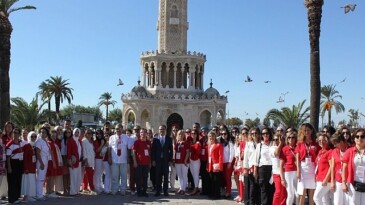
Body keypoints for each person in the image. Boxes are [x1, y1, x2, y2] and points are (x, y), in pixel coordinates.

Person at [295, 123, 319, 205]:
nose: (306, 132)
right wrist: (298, 170)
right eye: (304, 130)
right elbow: (297, 157)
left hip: (312, 168)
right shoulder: (300, 143)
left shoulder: (316, 144)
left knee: (311, 193)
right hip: (303, 168)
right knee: (302, 192)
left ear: (312, 131)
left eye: (308, 130)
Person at [342, 128, 365, 204]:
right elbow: (344, 168)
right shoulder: (349, 151)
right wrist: (343, 183)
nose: (359, 138)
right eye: (357, 136)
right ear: (354, 138)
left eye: (362, 136)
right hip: (353, 183)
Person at [108, 124, 132, 195]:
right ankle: (114, 190)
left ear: (122, 129)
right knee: (115, 176)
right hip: (114, 160)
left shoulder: (126, 137)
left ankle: (123, 190)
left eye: (118, 128)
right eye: (116, 129)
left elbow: (128, 148)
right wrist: (109, 157)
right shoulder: (111, 137)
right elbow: (109, 148)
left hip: (123, 160)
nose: (117, 130)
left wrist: (128, 157)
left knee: (123, 176)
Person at [253, 127, 274, 205]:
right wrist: (255, 171)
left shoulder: (273, 143)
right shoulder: (259, 145)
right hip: (262, 169)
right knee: (263, 189)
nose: (265, 135)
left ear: (269, 134)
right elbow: (256, 159)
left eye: (267, 133)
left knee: (271, 188)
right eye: (263, 133)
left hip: (272, 168)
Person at [151, 125, 173, 197]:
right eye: (160, 129)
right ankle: (158, 191)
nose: (162, 130)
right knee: (158, 176)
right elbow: (153, 151)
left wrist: (170, 160)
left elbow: (171, 151)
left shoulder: (169, 139)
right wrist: (153, 160)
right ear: (158, 130)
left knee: (166, 176)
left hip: (166, 161)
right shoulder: (155, 139)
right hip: (157, 161)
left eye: (163, 129)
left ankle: (165, 191)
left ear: (165, 130)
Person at [313, 132, 333, 205]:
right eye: (320, 140)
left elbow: (332, 166)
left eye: (324, 140)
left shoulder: (330, 152)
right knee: (325, 200)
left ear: (328, 140)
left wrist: (326, 179)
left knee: (316, 198)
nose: (321, 142)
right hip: (319, 178)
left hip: (325, 180)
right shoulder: (320, 152)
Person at [243, 127, 261, 205]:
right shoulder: (248, 144)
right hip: (251, 168)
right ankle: (251, 202)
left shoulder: (261, 144)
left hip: (260, 167)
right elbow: (246, 157)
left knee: (258, 186)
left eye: (255, 133)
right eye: (252, 133)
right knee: (252, 186)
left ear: (259, 134)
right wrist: (245, 168)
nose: (254, 135)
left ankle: (257, 201)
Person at [330, 133, 349, 204]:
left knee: (347, 202)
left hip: (348, 180)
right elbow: (332, 166)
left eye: (335, 144)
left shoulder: (350, 150)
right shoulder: (335, 151)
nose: (334, 146)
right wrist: (332, 181)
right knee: (337, 202)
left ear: (341, 141)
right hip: (338, 180)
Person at [280, 131, 298, 205]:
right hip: (288, 172)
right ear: (287, 139)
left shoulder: (298, 147)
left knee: (297, 194)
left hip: (297, 172)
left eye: (293, 137)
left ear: (295, 138)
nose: (291, 139)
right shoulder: (284, 149)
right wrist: (282, 179)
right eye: (289, 137)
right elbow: (281, 166)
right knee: (290, 195)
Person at [132, 128, 151, 197]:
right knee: (138, 178)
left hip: (146, 163)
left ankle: (144, 191)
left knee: (145, 178)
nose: (143, 134)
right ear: (140, 134)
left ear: (146, 133)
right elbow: (133, 152)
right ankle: (139, 191)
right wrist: (134, 162)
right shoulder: (137, 142)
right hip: (139, 163)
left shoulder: (148, 142)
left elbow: (149, 153)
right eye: (141, 132)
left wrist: (150, 162)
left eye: (144, 132)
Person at [34, 127, 51, 201]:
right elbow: (37, 153)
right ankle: (38, 195)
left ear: (47, 134)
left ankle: (40, 193)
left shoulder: (45, 141)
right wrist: (41, 163)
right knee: (40, 178)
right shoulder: (39, 141)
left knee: (42, 178)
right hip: (41, 160)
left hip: (46, 160)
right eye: (41, 132)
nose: (43, 133)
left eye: (44, 132)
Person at [46, 130, 63, 198]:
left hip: (54, 161)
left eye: (55, 136)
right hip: (52, 162)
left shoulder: (53, 143)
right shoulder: (50, 143)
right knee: (50, 177)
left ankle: (50, 191)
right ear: (50, 136)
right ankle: (49, 191)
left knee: (52, 177)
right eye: (52, 136)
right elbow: (51, 154)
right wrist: (54, 163)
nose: (54, 137)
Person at [219, 125, 235, 199]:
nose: (223, 135)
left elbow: (232, 153)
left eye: (225, 134)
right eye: (222, 134)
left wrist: (229, 162)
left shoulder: (230, 143)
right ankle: (224, 190)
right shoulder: (220, 143)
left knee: (228, 178)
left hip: (228, 163)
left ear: (227, 134)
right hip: (222, 163)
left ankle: (228, 191)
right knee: (223, 177)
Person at [21, 131, 37, 202]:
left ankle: (30, 195)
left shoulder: (34, 146)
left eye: (35, 136)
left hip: (33, 167)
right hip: (28, 168)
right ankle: (27, 196)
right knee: (27, 182)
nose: (33, 138)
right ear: (29, 137)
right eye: (32, 136)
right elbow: (25, 158)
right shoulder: (26, 146)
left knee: (31, 181)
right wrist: (26, 168)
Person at [207, 130, 223, 200]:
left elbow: (220, 156)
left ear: (215, 137)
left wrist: (220, 165)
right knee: (211, 180)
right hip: (210, 165)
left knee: (217, 181)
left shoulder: (218, 145)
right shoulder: (209, 145)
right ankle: (212, 193)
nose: (211, 137)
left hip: (216, 165)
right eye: (210, 136)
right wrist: (207, 165)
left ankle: (217, 195)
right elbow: (208, 156)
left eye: (212, 136)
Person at [271, 132, 286, 205]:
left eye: (277, 139)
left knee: (284, 193)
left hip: (286, 172)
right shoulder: (272, 148)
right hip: (277, 173)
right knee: (278, 191)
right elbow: (276, 153)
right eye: (274, 139)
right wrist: (281, 144)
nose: (276, 141)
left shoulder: (285, 148)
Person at [67, 128, 83, 196]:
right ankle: (73, 192)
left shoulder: (79, 140)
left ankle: (77, 191)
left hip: (79, 161)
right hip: (73, 162)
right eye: (75, 132)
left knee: (78, 177)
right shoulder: (71, 140)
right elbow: (68, 152)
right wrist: (69, 161)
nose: (76, 133)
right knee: (73, 177)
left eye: (78, 132)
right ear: (73, 132)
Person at [174, 130, 190, 195]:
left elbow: (188, 152)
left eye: (181, 134)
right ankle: (181, 188)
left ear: (184, 135)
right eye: (179, 134)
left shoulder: (186, 143)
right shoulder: (176, 143)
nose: (180, 135)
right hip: (177, 162)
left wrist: (185, 160)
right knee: (180, 176)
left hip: (184, 162)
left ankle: (183, 189)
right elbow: (174, 152)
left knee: (184, 175)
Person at [82, 129, 96, 195]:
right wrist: (86, 160)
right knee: (90, 174)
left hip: (91, 159)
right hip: (87, 160)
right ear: (85, 133)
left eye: (90, 133)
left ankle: (84, 188)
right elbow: (84, 151)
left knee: (86, 174)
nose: (89, 134)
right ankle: (92, 188)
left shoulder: (91, 141)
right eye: (88, 133)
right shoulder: (84, 141)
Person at [189, 129, 201, 195]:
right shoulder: (190, 142)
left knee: (196, 175)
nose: (193, 135)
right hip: (191, 160)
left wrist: (194, 158)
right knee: (193, 175)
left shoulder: (198, 143)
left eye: (194, 133)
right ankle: (196, 187)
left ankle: (195, 188)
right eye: (192, 133)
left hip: (196, 160)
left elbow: (198, 153)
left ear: (197, 135)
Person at [199, 126, 210, 196]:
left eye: (205, 131)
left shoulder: (209, 139)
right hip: (202, 160)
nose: (204, 132)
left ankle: (208, 190)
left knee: (208, 176)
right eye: (202, 131)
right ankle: (204, 190)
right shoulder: (200, 140)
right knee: (203, 176)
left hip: (208, 160)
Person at [93, 129, 105, 193]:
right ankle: (96, 187)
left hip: (102, 159)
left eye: (100, 133)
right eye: (97, 134)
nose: (98, 135)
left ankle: (100, 186)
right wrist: (102, 144)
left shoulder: (103, 140)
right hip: (97, 159)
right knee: (97, 174)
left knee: (100, 174)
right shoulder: (95, 142)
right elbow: (97, 150)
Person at [61, 129, 72, 195]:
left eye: (69, 132)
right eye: (66, 132)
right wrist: (65, 161)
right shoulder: (63, 141)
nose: (68, 133)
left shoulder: (72, 140)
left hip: (71, 160)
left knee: (69, 176)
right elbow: (63, 151)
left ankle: (68, 188)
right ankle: (65, 190)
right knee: (65, 175)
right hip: (65, 159)